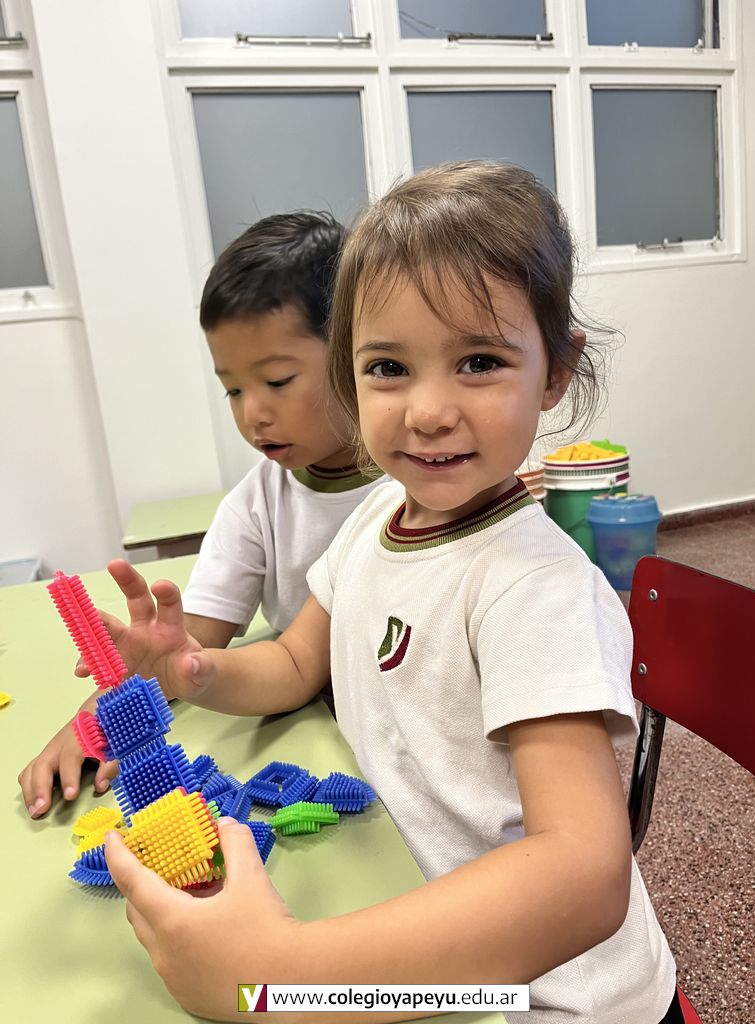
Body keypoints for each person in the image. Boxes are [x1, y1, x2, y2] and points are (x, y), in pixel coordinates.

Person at [102, 161, 679, 1023]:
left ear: (556, 371)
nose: (427, 410)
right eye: (388, 367)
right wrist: (195, 670)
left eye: (479, 361)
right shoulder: (378, 515)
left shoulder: (537, 589)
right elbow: (295, 662)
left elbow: (586, 876)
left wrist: (283, 977)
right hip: (428, 932)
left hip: (551, 996)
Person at [18, 211, 386, 819]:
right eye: (233, 390)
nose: (252, 414)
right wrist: (99, 717)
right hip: (311, 728)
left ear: (359, 352)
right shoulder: (257, 501)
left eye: (276, 380)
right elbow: (187, 645)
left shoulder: (415, 490)